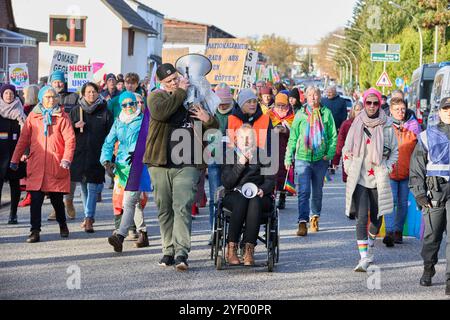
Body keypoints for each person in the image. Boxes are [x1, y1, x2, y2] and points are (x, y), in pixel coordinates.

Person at [144, 63, 219, 271]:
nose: (175, 83)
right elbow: (161, 113)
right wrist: (180, 91)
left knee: (183, 207)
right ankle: (168, 250)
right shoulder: (156, 97)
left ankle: (181, 253)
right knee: (164, 208)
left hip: (188, 161)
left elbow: (213, 130)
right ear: (161, 83)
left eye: (176, 79)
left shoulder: (191, 98)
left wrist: (209, 120)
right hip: (159, 162)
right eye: (170, 81)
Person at [342, 88, 398, 272]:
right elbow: (346, 149)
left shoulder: (387, 125)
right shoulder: (356, 123)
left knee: (376, 217)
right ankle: (364, 257)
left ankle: (371, 243)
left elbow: (395, 152)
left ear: (380, 104)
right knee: (361, 217)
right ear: (364, 103)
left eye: (375, 103)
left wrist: (387, 167)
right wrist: (349, 167)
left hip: (378, 177)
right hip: (359, 177)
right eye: (368, 103)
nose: (372, 106)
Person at [10, 86, 75, 243]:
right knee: (36, 200)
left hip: (55, 165)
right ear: (41, 99)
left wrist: (66, 159)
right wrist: (15, 159)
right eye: (47, 97)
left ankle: (62, 223)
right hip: (37, 165)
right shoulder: (33, 117)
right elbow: (23, 139)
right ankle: (35, 230)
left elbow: (70, 140)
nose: (51, 100)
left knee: (57, 201)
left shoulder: (62, 117)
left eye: (53, 97)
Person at [409, 96, 450, 295]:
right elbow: (416, 168)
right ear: (440, 112)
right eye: (446, 108)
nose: (449, 111)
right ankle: (428, 268)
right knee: (432, 236)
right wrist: (419, 194)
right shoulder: (427, 136)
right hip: (435, 192)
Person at [102, 91, 152, 252]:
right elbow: (108, 142)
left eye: (132, 103)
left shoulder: (145, 121)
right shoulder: (118, 122)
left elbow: (152, 141)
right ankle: (143, 233)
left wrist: (142, 154)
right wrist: (106, 161)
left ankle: (120, 236)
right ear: (120, 106)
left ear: (138, 104)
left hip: (139, 165)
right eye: (125, 104)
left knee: (128, 201)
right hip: (122, 167)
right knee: (133, 201)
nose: (129, 107)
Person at [285, 86, 337, 236]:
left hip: (321, 159)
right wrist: (288, 156)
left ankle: (314, 216)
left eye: (316, 94)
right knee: (303, 191)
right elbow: (293, 137)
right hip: (303, 158)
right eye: (310, 95)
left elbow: (333, 136)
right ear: (305, 97)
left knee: (317, 192)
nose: (313, 97)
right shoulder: (300, 114)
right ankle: (302, 221)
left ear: (320, 96)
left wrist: (330, 153)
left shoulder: (326, 113)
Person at [222, 124, 275, 266]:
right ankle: (232, 247)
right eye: (242, 138)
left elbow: (270, 180)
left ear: (255, 139)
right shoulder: (230, 155)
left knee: (255, 201)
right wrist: (240, 163)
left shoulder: (263, 155)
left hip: (258, 195)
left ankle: (248, 248)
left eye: (249, 138)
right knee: (241, 199)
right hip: (235, 194)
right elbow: (227, 183)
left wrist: (263, 189)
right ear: (236, 140)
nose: (246, 142)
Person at [69, 82, 113, 233]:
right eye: (88, 92)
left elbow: (110, 134)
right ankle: (88, 216)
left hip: (97, 154)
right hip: (80, 154)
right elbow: (67, 133)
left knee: (93, 186)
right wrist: (75, 126)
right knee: (84, 186)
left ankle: (88, 217)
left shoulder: (105, 111)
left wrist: (109, 155)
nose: (91, 94)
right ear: (83, 94)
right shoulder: (76, 111)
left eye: (94, 92)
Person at [382, 97, 420, 247]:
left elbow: (420, 151)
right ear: (390, 111)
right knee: (391, 203)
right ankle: (389, 232)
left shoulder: (413, 128)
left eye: (402, 109)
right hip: (389, 173)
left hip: (406, 174)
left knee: (403, 204)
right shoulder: (385, 127)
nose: (400, 112)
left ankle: (398, 231)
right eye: (397, 109)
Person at [206, 84, 234, 244]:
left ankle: (230, 231)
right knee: (214, 197)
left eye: (225, 102)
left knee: (230, 195)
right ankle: (214, 230)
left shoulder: (235, 113)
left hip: (231, 160)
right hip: (214, 159)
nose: (222, 106)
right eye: (220, 102)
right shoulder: (211, 111)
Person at [0, 84, 27, 223]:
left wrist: (24, 152)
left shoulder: (20, 113)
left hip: (16, 155)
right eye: (6, 94)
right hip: (0, 155)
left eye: (11, 93)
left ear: (15, 95)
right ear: (2, 95)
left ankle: (13, 214)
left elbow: (27, 135)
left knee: (15, 185)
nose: (9, 96)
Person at [268, 92, 295, 209]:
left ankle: (283, 197)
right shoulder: (268, 115)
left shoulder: (292, 117)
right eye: (278, 105)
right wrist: (272, 131)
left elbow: (296, 134)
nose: (280, 108)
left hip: (286, 151)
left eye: (283, 105)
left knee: (284, 174)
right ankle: (271, 197)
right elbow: (264, 131)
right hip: (271, 150)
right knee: (271, 174)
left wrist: (286, 131)